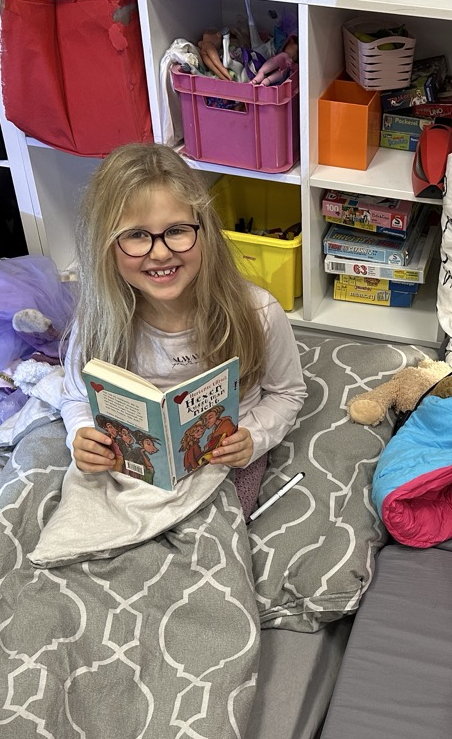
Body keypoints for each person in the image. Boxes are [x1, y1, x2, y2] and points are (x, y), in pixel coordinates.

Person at [59, 143, 307, 516]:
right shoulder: (98, 319)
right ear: (106, 246)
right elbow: (76, 397)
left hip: (224, 459)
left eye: (176, 230)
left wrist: (253, 439)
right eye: (136, 235)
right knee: (84, 524)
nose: (160, 253)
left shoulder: (258, 311)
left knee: (212, 531)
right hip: (131, 464)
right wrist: (80, 434)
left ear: (204, 231)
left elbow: (288, 393)